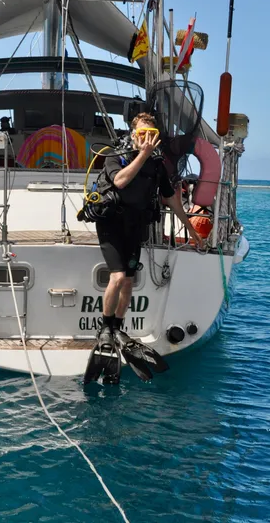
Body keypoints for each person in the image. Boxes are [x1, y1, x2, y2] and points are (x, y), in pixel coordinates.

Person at [84, 112, 204, 385]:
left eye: (152, 135)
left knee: (128, 281)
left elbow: (171, 199)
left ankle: (117, 328)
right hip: (111, 224)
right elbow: (120, 182)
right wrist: (143, 154)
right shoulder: (118, 156)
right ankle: (105, 328)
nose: (146, 140)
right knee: (116, 277)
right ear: (133, 134)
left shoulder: (157, 165)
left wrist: (191, 229)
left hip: (135, 225)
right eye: (141, 135)